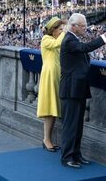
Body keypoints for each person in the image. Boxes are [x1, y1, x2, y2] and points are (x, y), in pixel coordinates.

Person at [59, 13, 106, 168]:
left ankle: (76, 154)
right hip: (71, 89)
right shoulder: (69, 40)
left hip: (78, 88)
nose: (85, 28)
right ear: (74, 26)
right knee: (70, 125)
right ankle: (67, 157)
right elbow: (85, 48)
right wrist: (105, 36)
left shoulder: (73, 38)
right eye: (82, 26)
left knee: (78, 125)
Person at [37, 16, 66, 152]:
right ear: (53, 30)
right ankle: (46, 139)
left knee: (53, 109)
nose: (62, 31)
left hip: (57, 75)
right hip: (49, 76)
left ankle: (48, 138)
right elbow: (57, 44)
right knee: (50, 108)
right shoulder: (46, 39)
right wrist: (67, 32)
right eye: (60, 29)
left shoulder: (56, 39)